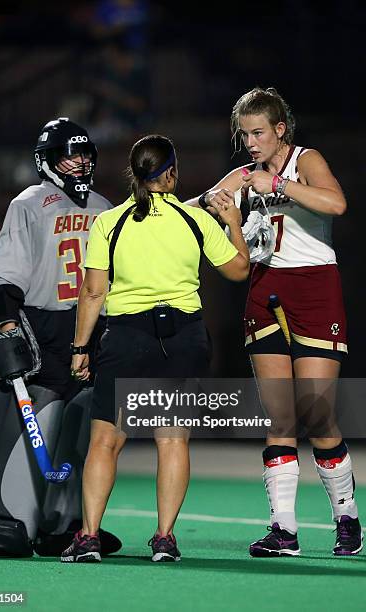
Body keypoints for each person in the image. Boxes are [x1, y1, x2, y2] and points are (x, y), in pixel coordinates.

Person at [187, 87, 363, 557]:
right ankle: (283, 531)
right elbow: (195, 207)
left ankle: (345, 515)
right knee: (280, 417)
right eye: (244, 134)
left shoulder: (306, 159)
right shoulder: (246, 174)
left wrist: (280, 187)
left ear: (280, 130)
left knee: (317, 414)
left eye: (258, 132)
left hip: (315, 289)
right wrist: (206, 208)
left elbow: (337, 204)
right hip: (265, 290)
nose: (250, 142)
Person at [60, 134, 250, 563]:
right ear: (171, 173)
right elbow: (239, 270)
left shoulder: (110, 222)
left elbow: (93, 293)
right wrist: (233, 222)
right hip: (183, 337)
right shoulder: (193, 219)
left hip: (126, 337)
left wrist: (79, 348)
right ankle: (164, 539)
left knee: (105, 441)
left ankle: (88, 537)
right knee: (172, 439)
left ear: (135, 173)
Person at [0, 117, 122, 559]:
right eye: (68, 154)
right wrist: (6, 319)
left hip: (92, 325)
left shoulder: (104, 205)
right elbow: (4, 272)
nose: (78, 162)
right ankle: (8, 517)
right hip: (44, 322)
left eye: (84, 153)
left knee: (79, 424)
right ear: (48, 161)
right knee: (29, 417)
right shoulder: (29, 204)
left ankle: (64, 521)